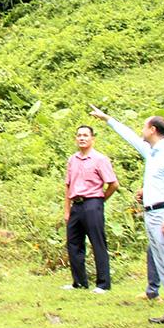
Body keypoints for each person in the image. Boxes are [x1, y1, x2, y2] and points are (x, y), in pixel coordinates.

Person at [90, 106, 164, 328]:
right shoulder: (153, 152)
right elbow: (131, 139)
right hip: (151, 212)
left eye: (144, 127)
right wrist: (109, 119)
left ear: (153, 129)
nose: (141, 131)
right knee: (162, 263)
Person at [62, 124, 119, 293]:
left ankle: (103, 284)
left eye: (86, 135)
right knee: (74, 243)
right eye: (79, 135)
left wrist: (100, 200)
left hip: (93, 203)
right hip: (76, 204)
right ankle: (79, 282)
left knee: (97, 242)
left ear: (92, 138)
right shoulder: (72, 159)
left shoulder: (100, 159)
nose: (82, 138)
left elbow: (113, 184)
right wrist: (66, 210)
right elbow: (67, 185)